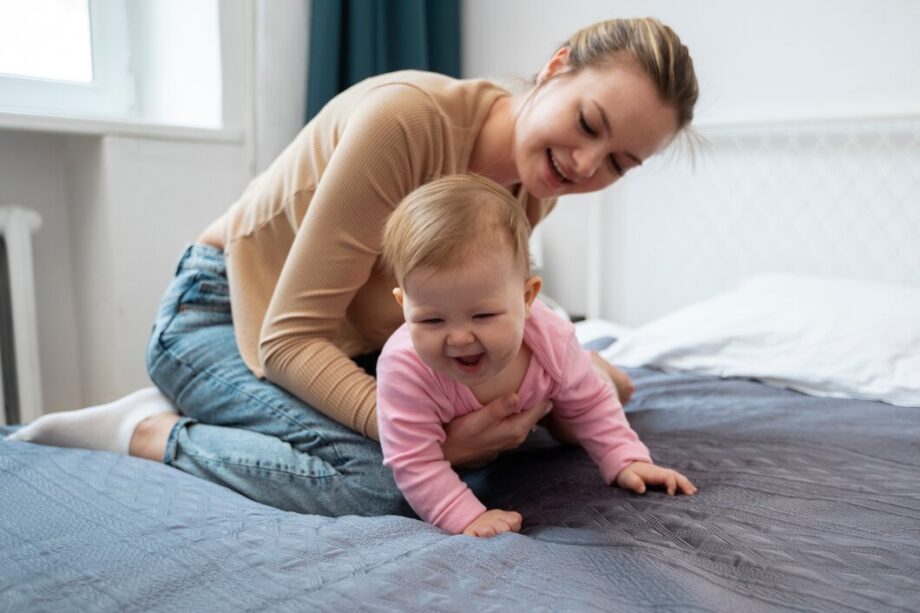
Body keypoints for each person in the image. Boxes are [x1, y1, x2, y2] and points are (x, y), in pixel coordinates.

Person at [8, 17, 699, 517]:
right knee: (387, 480)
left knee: (601, 391)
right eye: (587, 123)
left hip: (347, 337)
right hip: (219, 315)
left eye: (617, 162)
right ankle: (150, 432)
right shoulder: (406, 122)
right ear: (554, 68)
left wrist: (573, 393)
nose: (584, 164)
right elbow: (286, 339)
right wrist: (434, 440)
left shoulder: (528, 190)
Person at [377, 175, 697, 537]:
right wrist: (465, 516)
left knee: (576, 415)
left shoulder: (551, 339)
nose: (460, 338)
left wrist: (628, 459)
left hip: (544, 397)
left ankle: (595, 367)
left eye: (483, 316)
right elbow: (413, 459)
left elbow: (592, 405)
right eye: (431, 319)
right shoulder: (404, 367)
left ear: (528, 298)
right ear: (404, 305)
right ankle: (587, 367)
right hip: (484, 434)